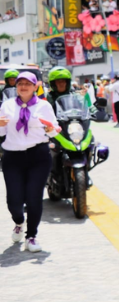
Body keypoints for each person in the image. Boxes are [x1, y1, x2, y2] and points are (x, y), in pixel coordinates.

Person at [0, 72, 58, 253]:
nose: (23, 87)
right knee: (14, 201)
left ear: (35, 87)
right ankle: (19, 222)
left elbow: (53, 131)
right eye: (20, 83)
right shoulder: (7, 105)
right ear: (16, 86)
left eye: (27, 84)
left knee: (34, 197)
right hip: (12, 157)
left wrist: (51, 129)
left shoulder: (44, 105)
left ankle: (31, 236)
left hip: (38, 156)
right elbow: (1, 133)